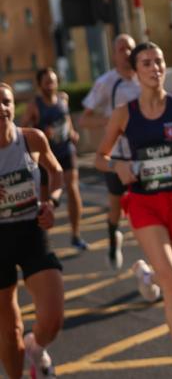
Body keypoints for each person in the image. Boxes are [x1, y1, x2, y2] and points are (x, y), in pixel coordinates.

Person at [94, 42, 172, 379]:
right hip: (145, 202)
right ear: (136, 72)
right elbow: (99, 157)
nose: (155, 68)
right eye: (147, 63)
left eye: (160, 61)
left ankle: (147, 275)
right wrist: (117, 167)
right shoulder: (125, 112)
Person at [0, 82, 64, 379]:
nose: (2, 108)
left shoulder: (31, 140)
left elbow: (56, 172)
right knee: (9, 329)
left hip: (31, 229)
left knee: (52, 319)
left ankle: (37, 348)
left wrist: (51, 202)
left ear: (14, 105)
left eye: (6, 101)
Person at [80, 34, 140, 270]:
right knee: (115, 205)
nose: (126, 53)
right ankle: (114, 240)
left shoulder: (143, 79)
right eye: (121, 48)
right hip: (115, 156)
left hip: (142, 156)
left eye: (130, 48)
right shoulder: (107, 82)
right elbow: (84, 120)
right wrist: (110, 122)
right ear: (114, 54)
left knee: (143, 205)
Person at [22, 67, 88, 250]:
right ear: (40, 85)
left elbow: (66, 119)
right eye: (47, 82)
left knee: (73, 189)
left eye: (53, 81)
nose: (51, 85)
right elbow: (23, 130)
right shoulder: (35, 105)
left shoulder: (63, 98)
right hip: (45, 157)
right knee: (45, 200)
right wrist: (43, 133)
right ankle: (44, 240)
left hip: (66, 151)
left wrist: (72, 131)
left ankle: (75, 234)